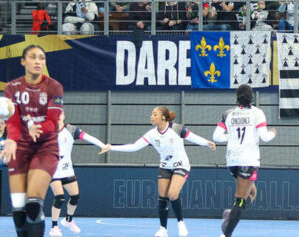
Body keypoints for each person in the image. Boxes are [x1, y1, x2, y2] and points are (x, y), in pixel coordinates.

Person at [102, 106, 216, 237]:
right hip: (165, 166)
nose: (151, 116)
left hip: (181, 165)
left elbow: (193, 137)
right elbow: (134, 147)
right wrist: (112, 147)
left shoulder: (177, 128)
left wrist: (207, 143)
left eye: (154, 114)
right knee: (163, 197)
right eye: (152, 114)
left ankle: (181, 223)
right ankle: (163, 229)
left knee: (172, 194)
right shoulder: (151, 134)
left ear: (163, 117)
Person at [2, 45, 64, 237]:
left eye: (42, 58)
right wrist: (11, 140)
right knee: (19, 210)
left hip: (45, 148)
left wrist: (38, 128)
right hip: (19, 149)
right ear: (23, 61)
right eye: (33, 57)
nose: (38, 61)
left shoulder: (54, 86)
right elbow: (12, 119)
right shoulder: (11, 88)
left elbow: (54, 121)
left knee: (33, 205)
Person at [213, 84, 277, 237]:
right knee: (240, 199)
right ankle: (226, 234)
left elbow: (216, 137)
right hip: (248, 160)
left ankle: (232, 213)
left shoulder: (228, 113)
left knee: (252, 192)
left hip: (232, 160)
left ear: (237, 97)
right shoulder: (257, 113)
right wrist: (274, 132)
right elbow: (265, 137)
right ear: (252, 97)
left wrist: (231, 137)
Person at [47, 113, 106, 236]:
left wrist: (102, 145)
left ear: (64, 116)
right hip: (53, 171)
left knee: (75, 196)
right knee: (60, 198)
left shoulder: (71, 130)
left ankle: (68, 220)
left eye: (60, 113)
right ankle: (54, 227)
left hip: (67, 170)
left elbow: (88, 137)